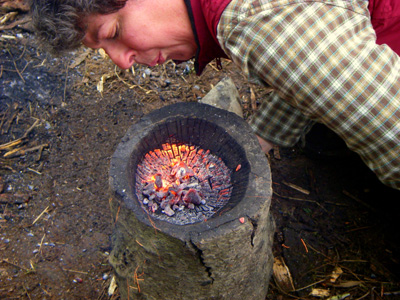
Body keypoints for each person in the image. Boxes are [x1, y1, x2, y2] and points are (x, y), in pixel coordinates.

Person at [30, 0, 400, 190]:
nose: (122, 62)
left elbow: (394, 129)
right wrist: (258, 140)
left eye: (113, 32)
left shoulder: (254, 23)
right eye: (102, 50)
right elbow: (314, 55)